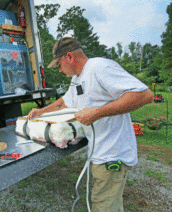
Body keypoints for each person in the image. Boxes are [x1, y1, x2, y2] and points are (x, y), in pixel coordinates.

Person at [27, 37, 153, 212]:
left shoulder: (100, 67)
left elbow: (144, 95)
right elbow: (65, 101)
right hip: (100, 152)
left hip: (112, 155)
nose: (59, 69)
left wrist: (96, 113)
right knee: (110, 205)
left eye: (59, 64)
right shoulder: (78, 78)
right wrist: (41, 111)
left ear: (70, 57)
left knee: (103, 206)